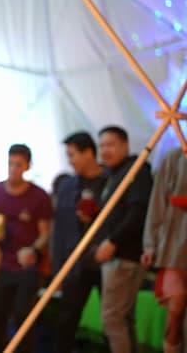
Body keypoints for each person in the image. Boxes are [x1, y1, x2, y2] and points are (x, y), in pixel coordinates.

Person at [0, 144, 52, 353]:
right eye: (10, 163)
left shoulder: (39, 196)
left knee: (23, 316)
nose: (13, 169)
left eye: (18, 165)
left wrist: (32, 250)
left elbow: (45, 234)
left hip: (26, 267)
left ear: (27, 167)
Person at [93, 126, 152, 353]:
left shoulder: (136, 171)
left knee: (113, 318)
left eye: (110, 144)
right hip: (118, 256)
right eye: (102, 146)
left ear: (125, 145)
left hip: (124, 256)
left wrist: (113, 241)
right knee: (123, 319)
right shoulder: (114, 175)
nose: (105, 150)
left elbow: (138, 212)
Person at [52, 132, 107, 353]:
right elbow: (60, 230)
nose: (70, 161)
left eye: (73, 155)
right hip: (76, 262)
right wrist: (58, 270)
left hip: (106, 260)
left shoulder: (113, 179)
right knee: (67, 319)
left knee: (113, 320)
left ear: (89, 153)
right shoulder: (67, 186)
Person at [142, 147, 187, 353]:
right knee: (175, 310)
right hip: (175, 245)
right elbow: (157, 202)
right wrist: (150, 244)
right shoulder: (175, 157)